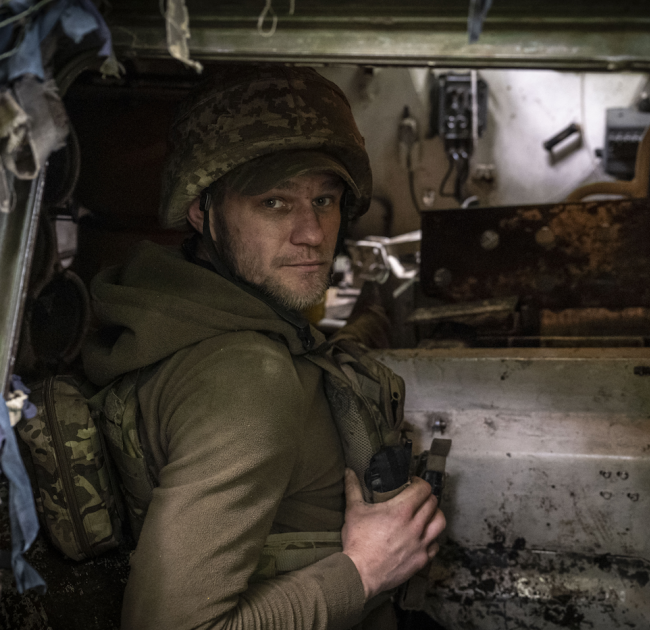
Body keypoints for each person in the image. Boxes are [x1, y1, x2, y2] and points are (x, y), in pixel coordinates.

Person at [81, 65, 446, 630]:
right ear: (202, 211)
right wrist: (367, 571)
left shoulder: (178, 317)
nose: (312, 233)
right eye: (274, 203)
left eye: (324, 200)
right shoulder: (247, 376)